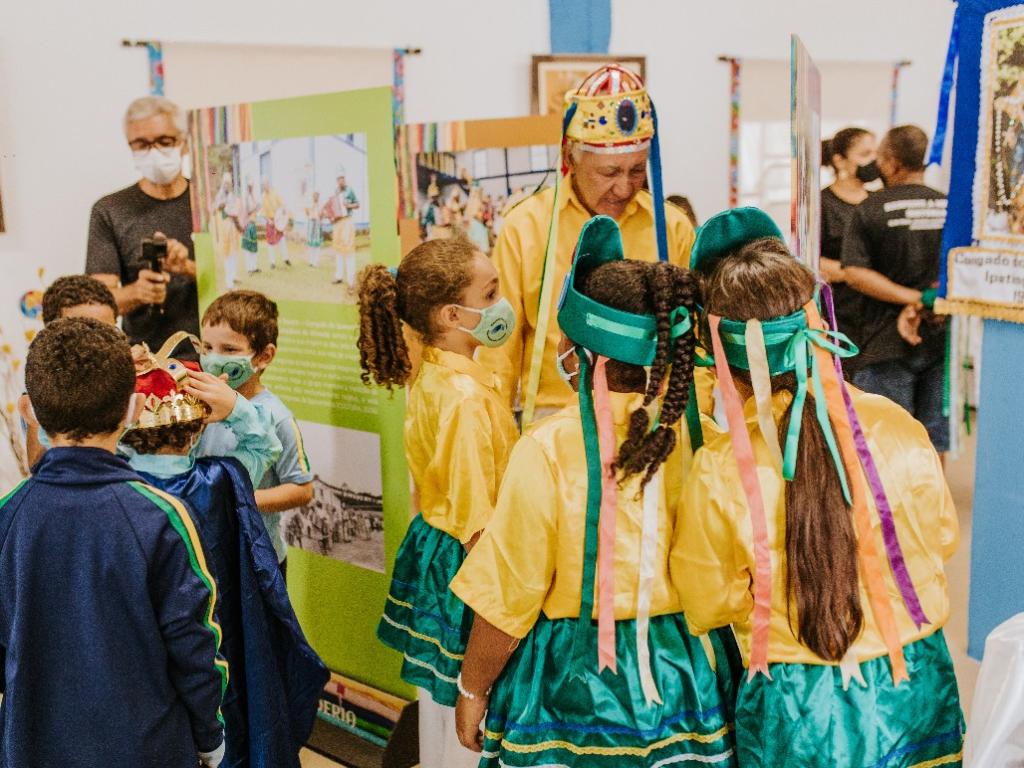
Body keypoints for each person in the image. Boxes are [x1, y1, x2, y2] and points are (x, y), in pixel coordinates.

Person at [672, 213, 963, 767]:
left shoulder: (721, 469)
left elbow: (708, 602)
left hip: (798, 704)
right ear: (820, 325)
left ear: (722, 359)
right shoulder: (898, 426)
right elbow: (942, 538)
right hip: (914, 683)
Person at [451, 216, 740, 768]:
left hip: (574, 676)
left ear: (576, 350)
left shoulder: (547, 449)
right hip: (691, 672)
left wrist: (472, 688)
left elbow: (509, 596)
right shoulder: (710, 441)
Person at [2, 318, 227, 768]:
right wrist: (210, 738)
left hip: (32, 747)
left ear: (29, 411)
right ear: (133, 407)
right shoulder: (161, 517)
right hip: (147, 750)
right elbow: (195, 645)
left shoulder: (8, 516)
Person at [120, 336, 328, 767]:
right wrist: (236, 406)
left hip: (141, 643)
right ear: (199, 426)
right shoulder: (222, 480)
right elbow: (263, 446)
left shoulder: (119, 484)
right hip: (216, 631)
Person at [356, 238, 520, 768]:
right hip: (467, 565)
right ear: (452, 314)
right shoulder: (464, 400)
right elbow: (477, 524)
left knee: (439, 707)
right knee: (465, 715)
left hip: (438, 547)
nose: (502, 302)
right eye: (490, 292)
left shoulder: (436, 371)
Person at [478, 65, 697, 425]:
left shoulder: (672, 227)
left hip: (652, 423)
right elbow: (498, 353)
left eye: (637, 170)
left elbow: (694, 338)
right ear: (570, 158)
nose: (625, 188)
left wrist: (688, 421)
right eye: (610, 172)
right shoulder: (527, 227)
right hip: (553, 424)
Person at [841, 125, 949, 453]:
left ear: (890, 162)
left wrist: (910, 300)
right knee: (932, 444)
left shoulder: (871, 209)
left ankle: (889, 507)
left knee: (886, 443)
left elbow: (856, 273)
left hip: (882, 344)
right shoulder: (949, 208)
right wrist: (924, 300)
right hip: (940, 337)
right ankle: (934, 503)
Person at [198, 290, 315, 576]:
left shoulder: (278, 417)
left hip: (259, 561)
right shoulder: (197, 405)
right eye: (206, 347)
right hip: (209, 554)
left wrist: (241, 500)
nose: (213, 359)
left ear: (264, 356)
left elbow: (302, 489)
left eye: (229, 350)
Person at [87, 96, 200, 352]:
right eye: (141, 144)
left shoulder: (208, 201)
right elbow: (98, 303)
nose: (154, 152)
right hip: (145, 362)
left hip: (215, 358)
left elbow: (238, 282)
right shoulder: (109, 211)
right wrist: (138, 292)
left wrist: (188, 268)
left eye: (164, 141)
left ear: (183, 143)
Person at [819, 128, 879, 367]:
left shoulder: (878, 201)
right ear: (839, 160)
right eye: (865, 154)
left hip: (877, 314)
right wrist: (857, 275)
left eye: (876, 153)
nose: (873, 161)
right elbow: (813, 260)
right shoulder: (822, 203)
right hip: (839, 312)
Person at [326, 166, 360, 290]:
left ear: (345, 179)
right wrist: (330, 216)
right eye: (339, 178)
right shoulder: (335, 192)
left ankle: (351, 281)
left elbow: (357, 204)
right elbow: (331, 207)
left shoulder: (350, 190)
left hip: (347, 221)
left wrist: (348, 205)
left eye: (343, 178)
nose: (341, 181)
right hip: (338, 223)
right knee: (338, 250)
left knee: (349, 250)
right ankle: (339, 276)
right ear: (337, 180)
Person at [262, 179, 291, 269]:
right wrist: (269, 220)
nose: (265, 187)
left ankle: (286, 259)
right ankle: (272, 262)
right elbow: (263, 213)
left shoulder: (275, 194)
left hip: (278, 221)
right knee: (270, 243)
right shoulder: (263, 197)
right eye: (264, 185)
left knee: (282, 240)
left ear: (269, 185)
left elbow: (282, 205)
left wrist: (283, 214)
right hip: (270, 222)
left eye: (266, 185)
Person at [240, 179, 261, 276]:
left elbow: (257, 208)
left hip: (253, 224)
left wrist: (257, 208)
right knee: (248, 248)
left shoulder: (252, 197)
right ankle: (249, 269)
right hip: (247, 225)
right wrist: (255, 208)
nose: (251, 188)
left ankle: (254, 267)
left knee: (254, 247)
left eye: (252, 186)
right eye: (249, 187)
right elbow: (248, 211)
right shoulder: (246, 198)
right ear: (247, 188)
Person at [305, 190, 324, 268]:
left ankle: (316, 262)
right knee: (310, 243)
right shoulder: (309, 204)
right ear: (312, 197)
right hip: (311, 223)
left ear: (318, 197)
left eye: (317, 196)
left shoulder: (321, 205)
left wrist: (320, 218)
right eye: (314, 196)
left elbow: (322, 215)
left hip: (317, 223)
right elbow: (306, 212)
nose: (315, 197)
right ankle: (311, 261)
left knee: (317, 244)